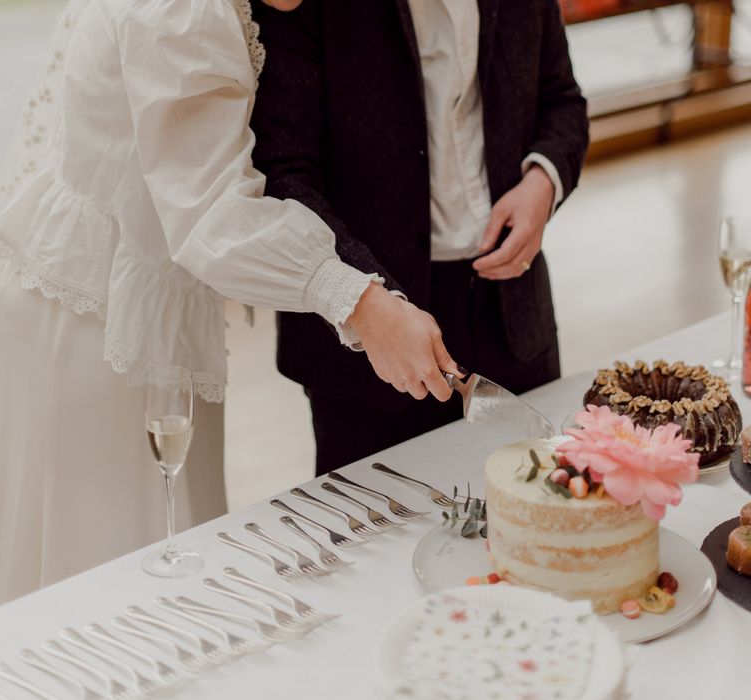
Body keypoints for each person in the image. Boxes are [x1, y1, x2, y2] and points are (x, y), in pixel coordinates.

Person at [0, 0, 461, 611]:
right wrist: (361, 302)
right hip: (103, 322)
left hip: (125, 295)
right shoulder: (185, 12)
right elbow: (211, 213)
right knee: (121, 582)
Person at [250, 0, 590, 475]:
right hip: (366, 340)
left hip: (513, 314)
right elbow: (281, 171)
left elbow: (563, 99)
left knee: (537, 518)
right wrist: (363, 301)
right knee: (376, 539)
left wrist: (544, 182)